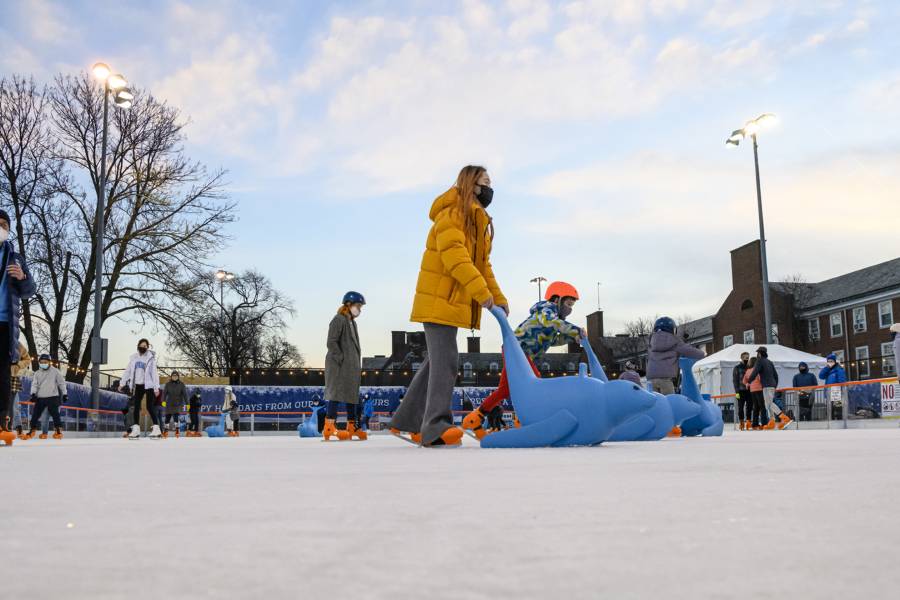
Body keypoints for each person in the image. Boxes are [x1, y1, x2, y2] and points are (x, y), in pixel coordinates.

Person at [390, 165, 507, 447]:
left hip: (450, 302)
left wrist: (498, 297)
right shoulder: (453, 214)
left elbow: (483, 266)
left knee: (435, 364)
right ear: (471, 184)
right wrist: (481, 293)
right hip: (439, 299)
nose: (490, 188)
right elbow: (456, 259)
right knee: (446, 362)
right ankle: (434, 427)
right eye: (485, 182)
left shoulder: (476, 221)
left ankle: (408, 422)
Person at [462, 281, 585, 439]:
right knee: (536, 384)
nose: (570, 309)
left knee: (505, 390)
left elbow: (552, 341)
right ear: (557, 300)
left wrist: (572, 338)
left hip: (517, 351)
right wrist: (576, 330)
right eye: (568, 303)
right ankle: (527, 422)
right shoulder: (547, 309)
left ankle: (474, 419)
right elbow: (551, 322)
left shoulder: (555, 321)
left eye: (572, 305)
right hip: (517, 349)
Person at [0, 209, 37, 446]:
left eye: (4, 224)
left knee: (2, 374)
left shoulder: (15, 257)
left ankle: (3, 422)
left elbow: (30, 290)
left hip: (4, 323)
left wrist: (23, 277)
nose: (0, 227)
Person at [323, 292, 366, 441]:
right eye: (358, 306)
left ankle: (351, 426)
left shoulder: (352, 322)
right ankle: (329, 426)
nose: (359, 309)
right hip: (338, 365)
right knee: (335, 394)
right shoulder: (338, 319)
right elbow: (331, 342)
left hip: (351, 366)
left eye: (360, 307)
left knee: (351, 394)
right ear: (348, 304)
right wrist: (340, 358)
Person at [646, 317, 705, 396]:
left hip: (651, 380)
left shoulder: (652, 341)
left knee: (656, 405)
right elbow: (688, 350)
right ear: (671, 329)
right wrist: (702, 354)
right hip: (665, 379)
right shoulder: (673, 340)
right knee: (670, 404)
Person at [119, 338, 162, 439]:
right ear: (138, 346)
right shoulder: (134, 358)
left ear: (147, 348)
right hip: (138, 385)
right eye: (141, 346)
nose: (143, 348)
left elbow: (154, 374)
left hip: (148, 385)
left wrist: (156, 388)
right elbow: (128, 371)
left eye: (145, 346)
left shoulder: (150, 358)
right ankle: (136, 429)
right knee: (136, 407)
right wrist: (122, 383)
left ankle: (157, 429)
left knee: (149, 407)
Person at [23, 354, 67, 439]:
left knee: (55, 414)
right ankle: (32, 431)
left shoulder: (55, 371)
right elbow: (34, 384)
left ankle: (58, 431)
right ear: (39, 363)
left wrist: (65, 394)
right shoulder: (37, 373)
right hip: (40, 398)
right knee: (35, 415)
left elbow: (61, 383)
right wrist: (33, 394)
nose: (43, 363)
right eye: (41, 362)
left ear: (49, 362)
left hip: (53, 397)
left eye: (45, 362)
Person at [747, 346, 791, 429]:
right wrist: (775, 385)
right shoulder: (770, 362)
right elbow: (776, 375)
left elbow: (755, 372)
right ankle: (772, 421)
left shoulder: (759, 361)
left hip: (766, 386)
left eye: (757, 353)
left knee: (768, 404)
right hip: (772, 385)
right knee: (769, 403)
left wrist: (749, 382)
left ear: (759, 353)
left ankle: (784, 418)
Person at [11, 343, 30, 439]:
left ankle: (18, 428)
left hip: (11, 378)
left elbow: (27, 359)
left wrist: (18, 365)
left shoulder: (16, 344)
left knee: (14, 406)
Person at [162, 371, 188, 438]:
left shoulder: (181, 384)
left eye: (176, 376)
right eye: (173, 376)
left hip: (178, 403)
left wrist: (187, 403)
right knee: (167, 417)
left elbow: (185, 394)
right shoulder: (168, 384)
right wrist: (163, 401)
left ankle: (177, 430)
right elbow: (164, 393)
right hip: (169, 403)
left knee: (176, 416)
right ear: (171, 377)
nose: (174, 377)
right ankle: (165, 431)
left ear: (178, 377)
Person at [732, 352, 751, 430]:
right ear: (742, 358)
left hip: (749, 390)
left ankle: (748, 422)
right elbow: (735, 380)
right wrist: (736, 391)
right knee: (740, 407)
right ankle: (741, 423)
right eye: (746, 357)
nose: (747, 359)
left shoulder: (750, 367)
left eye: (748, 357)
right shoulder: (737, 367)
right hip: (740, 390)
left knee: (749, 407)